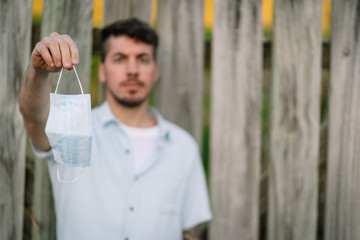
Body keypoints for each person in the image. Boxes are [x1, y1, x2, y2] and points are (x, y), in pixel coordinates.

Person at [19, 18, 212, 240]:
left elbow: (191, 231)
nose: (132, 70)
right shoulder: (72, 129)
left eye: (143, 59)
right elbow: (33, 117)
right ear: (102, 70)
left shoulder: (183, 147)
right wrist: (38, 72)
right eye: (120, 59)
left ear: (155, 71)